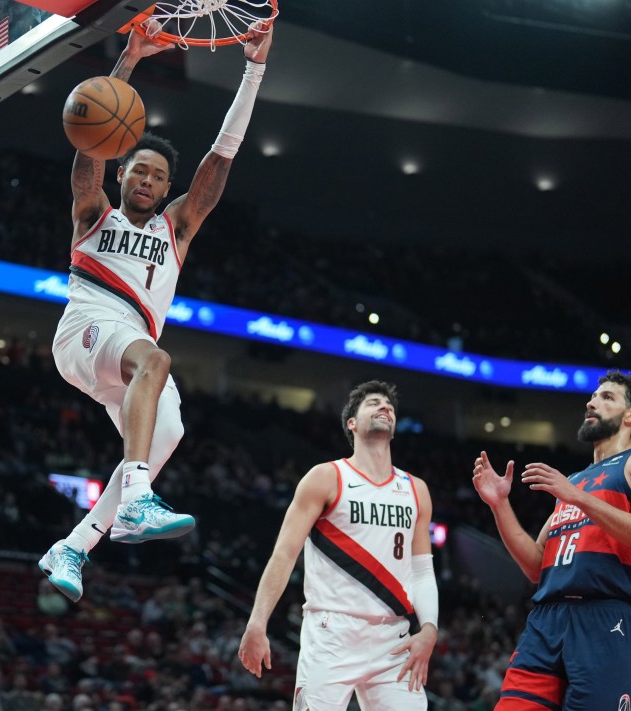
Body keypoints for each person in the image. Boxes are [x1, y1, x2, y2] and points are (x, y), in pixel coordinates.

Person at [39, 17, 274, 603]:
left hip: (125, 349)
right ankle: (139, 497)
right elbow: (92, 137)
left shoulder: (178, 227)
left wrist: (254, 68)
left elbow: (221, 156)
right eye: (139, 169)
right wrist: (129, 61)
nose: (148, 179)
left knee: (169, 429)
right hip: (88, 330)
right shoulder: (95, 214)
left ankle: (73, 547)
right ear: (123, 172)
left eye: (159, 175)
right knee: (157, 361)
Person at [471, 370, 631, 709]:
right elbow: (538, 567)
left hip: (605, 617)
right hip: (546, 618)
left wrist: (577, 497)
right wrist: (500, 505)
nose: (592, 402)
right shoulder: (575, 481)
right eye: (593, 397)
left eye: (607, 397)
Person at [238, 381, 439, 709]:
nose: (384, 407)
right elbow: (284, 554)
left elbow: (422, 570)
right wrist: (257, 623)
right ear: (352, 423)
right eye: (374, 403)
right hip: (332, 632)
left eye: (388, 405)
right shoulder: (326, 477)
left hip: (394, 637)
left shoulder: (417, 489)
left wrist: (429, 628)